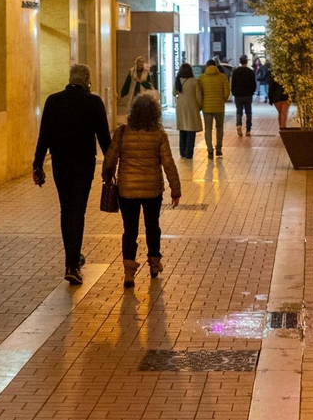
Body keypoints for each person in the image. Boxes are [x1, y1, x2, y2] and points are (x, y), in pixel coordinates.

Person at [33, 63, 112, 283]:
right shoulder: (94, 102)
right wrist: (112, 165)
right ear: (87, 81)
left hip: (60, 165)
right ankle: (72, 264)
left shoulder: (53, 101)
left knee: (66, 210)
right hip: (84, 165)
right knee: (78, 211)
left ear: (69, 79)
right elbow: (104, 139)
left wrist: (37, 164)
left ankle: (73, 257)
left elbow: (44, 136)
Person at [103, 91, 182, 287]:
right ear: (155, 114)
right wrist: (175, 189)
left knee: (129, 230)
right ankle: (154, 264)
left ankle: (129, 272)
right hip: (152, 190)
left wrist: (107, 177)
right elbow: (168, 164)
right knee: (152, 227)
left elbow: (110, 159)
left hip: (126, 190)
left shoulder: (122, 132)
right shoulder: (159, 135)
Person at [196, 58, 230, 157]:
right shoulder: (222, 77)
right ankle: (218, 149)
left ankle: (210, 150)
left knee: (208, 129)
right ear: (216, 66)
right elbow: (227, 92)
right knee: (219, 128)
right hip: (219, 107)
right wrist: (222, 100)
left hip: (207, 108)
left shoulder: (202, 78)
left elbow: (199, 93)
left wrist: (201, 104)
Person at [174, 62, 202, 159]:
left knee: (182, 129)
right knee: (191, 130)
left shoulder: (177, 80)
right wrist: (199, 107)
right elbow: (198, 96)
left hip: (180, 107)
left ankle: (182, 152)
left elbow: (174, 92)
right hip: (192, 107)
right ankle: (189, 153)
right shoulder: (195, 81)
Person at [231, 55, 257, 137]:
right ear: (246, 62)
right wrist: (252, 91)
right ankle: (248, 130)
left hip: (238, 95)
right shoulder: (250, 72)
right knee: (248, 112)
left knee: (239, 111)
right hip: (248, 95)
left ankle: (238, 124)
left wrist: (234, 92)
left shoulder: (236, 72)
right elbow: (254, 84)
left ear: (240, 62)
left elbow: (233, 84)